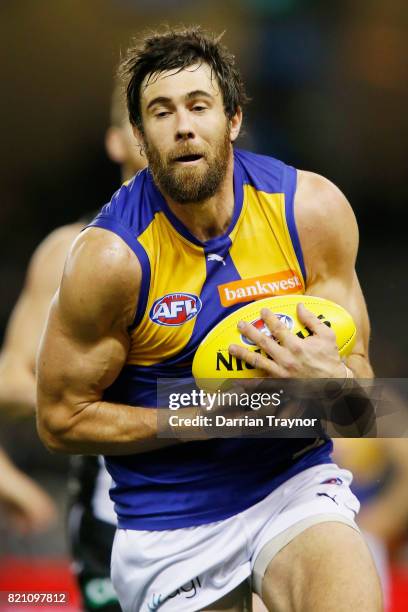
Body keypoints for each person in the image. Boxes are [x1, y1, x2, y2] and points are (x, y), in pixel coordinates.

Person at [37, 27, 382, 611]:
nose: (184, 126)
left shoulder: (310, 212)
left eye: (200, 106)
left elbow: (366, 414)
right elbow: (59, 421)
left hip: (291, 485)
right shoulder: (109, 260)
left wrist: (331, 383)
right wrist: (199, 416)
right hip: (171, 521)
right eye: (161, 112)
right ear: (140, 138)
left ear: (234, 120)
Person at [0, 86, 145, 610]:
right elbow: (10, 380)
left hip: (235, 507)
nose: (166, 128)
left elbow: (355, 405)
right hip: (114, 524)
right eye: (144, 116)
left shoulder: (241, 254)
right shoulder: (69, 250)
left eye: (191, 109)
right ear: (115, 141)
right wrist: (90, 390)